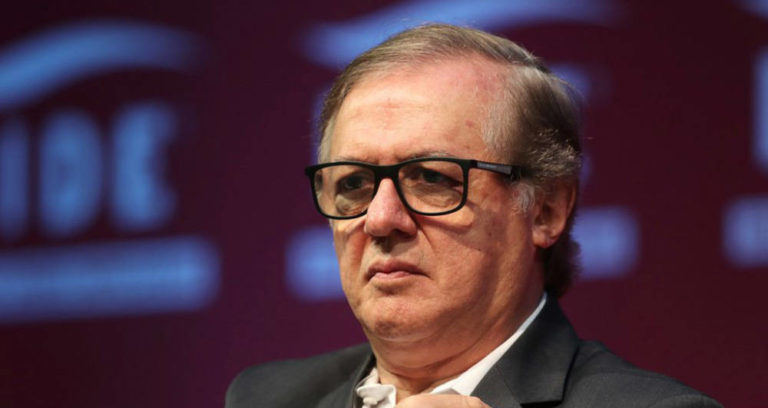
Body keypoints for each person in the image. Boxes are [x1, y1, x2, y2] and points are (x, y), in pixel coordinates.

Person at [226, 24, 721, 408]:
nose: (380, 219)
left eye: (430, 178)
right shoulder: (266, 398)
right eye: (353, 184)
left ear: (545, 210)